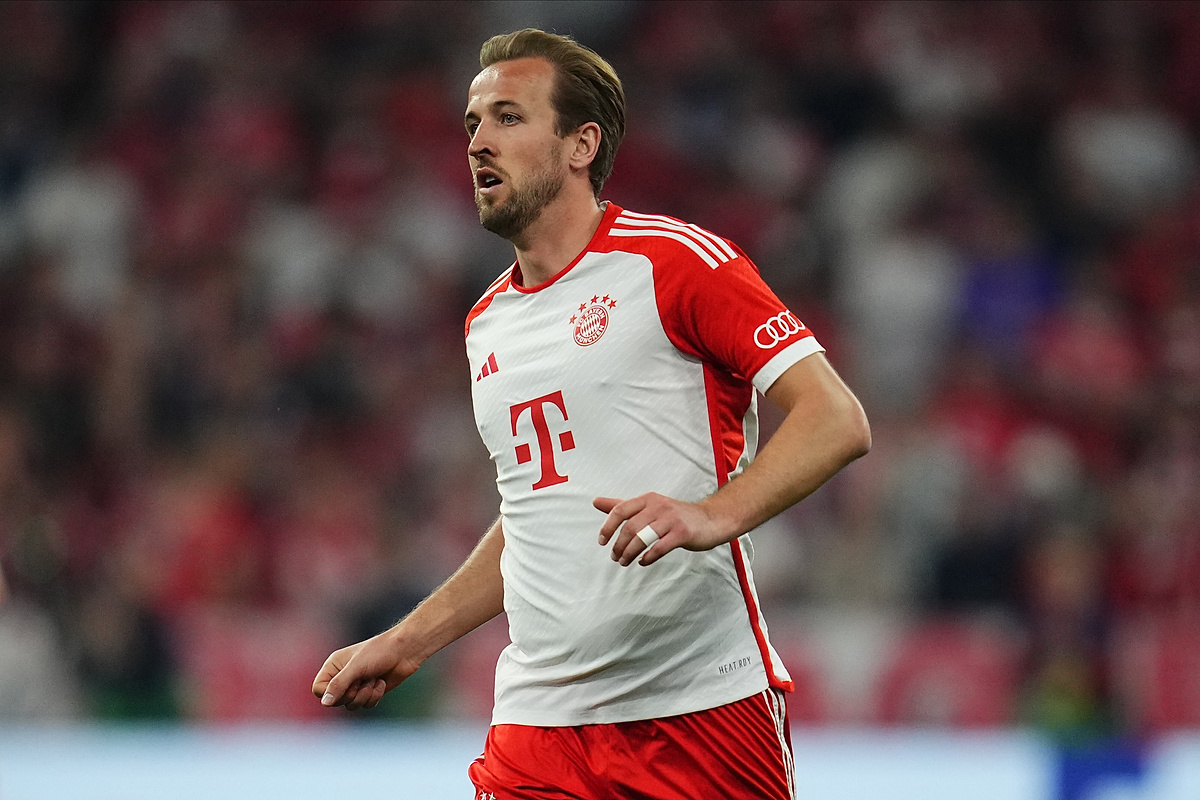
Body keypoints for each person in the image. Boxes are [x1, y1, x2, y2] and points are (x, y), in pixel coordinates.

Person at [313, 28, 870, 799]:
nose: (478, 141)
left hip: (698, 715)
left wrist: (713, 513)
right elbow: (537, 516)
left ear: (581, 145)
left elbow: (835, 417)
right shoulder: (487, 324)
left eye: (508, 118)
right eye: (472, 123)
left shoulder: (675, 263)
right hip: (538, 728)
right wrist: (412, 640)